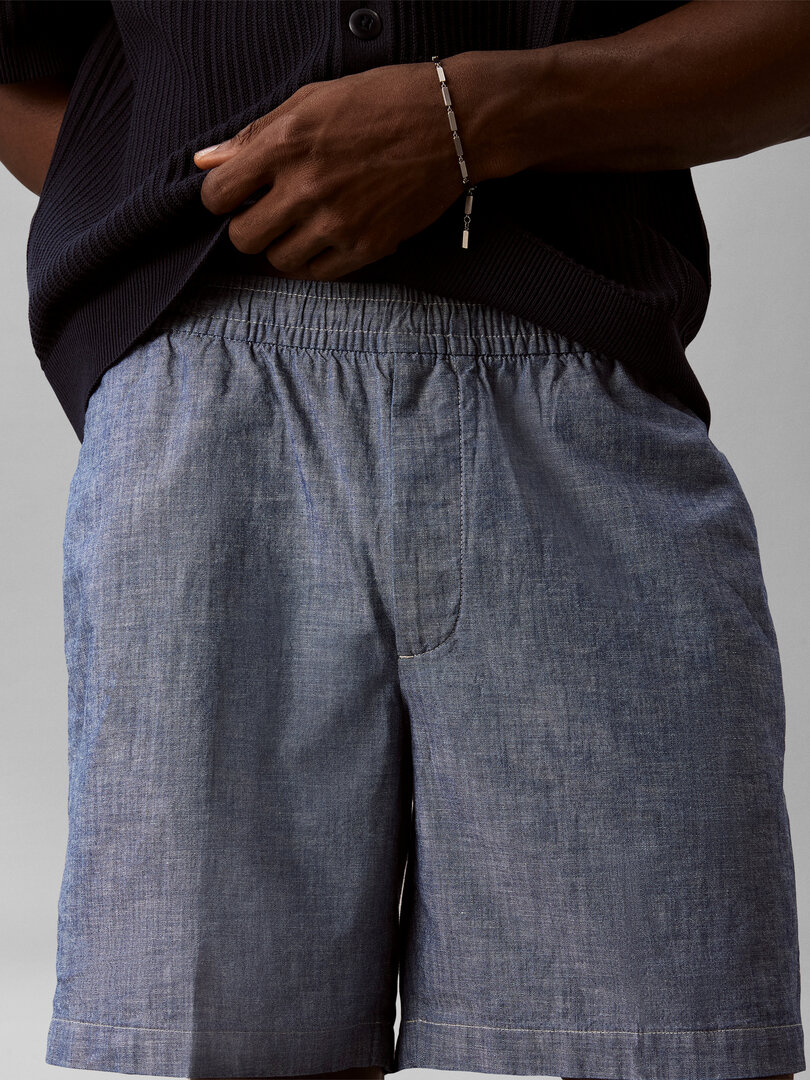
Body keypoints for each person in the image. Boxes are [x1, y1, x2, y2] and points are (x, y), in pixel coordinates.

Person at [1, 2, 807, 1078]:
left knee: (668, 1038)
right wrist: (196, 198)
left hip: (580, 397)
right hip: (204, 418)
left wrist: (472, 117)